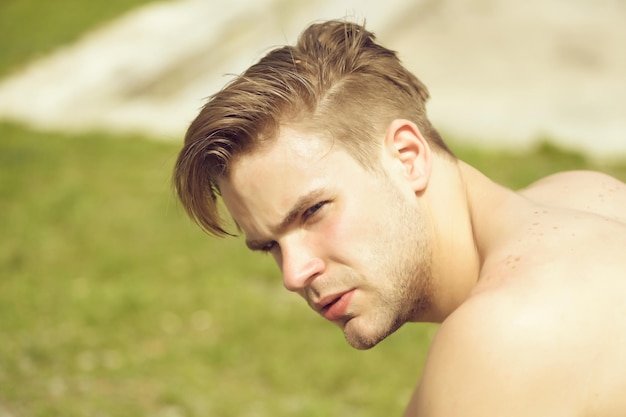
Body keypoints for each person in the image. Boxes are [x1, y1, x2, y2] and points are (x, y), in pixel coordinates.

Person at [172, 19, 626, 416]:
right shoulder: (587, 194)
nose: (294, 274)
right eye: (270, 245)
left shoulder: (507, 333)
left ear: (407, 157)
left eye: (312, 212)